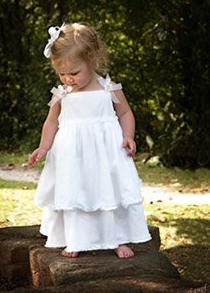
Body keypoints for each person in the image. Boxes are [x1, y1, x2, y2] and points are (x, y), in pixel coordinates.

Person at [28, 22, 151, 258]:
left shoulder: (109, 88)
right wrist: (44, 147)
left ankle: (118, 238)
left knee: (109, 192)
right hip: (71, 156)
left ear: (92, 60)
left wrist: (128, 136)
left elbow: (125, 113)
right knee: (75, 193)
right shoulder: (62, 93)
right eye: (62, 74)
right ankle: (75, 238)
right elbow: (52, 121)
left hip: (107, 153)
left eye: (74, 73)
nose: (68, 79)